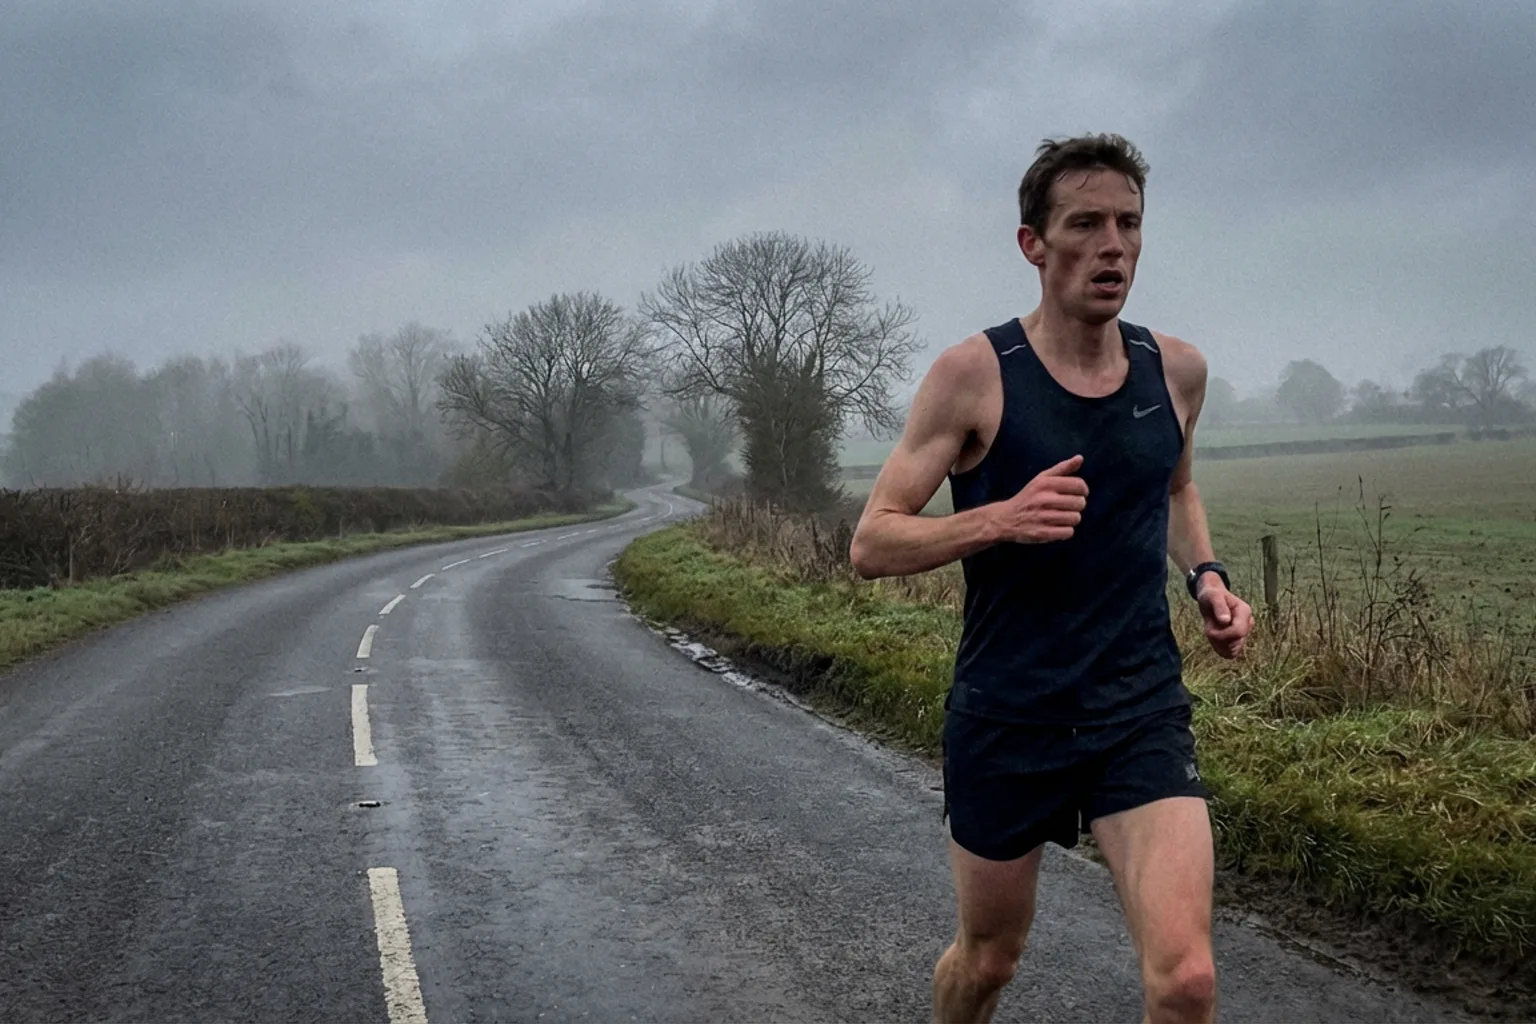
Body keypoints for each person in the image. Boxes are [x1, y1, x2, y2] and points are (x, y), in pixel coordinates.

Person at [848, 133, 1254, 1024]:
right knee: (991, 958)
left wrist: (1208, 579)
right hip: (1008, 712)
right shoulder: (974, 376)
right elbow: (872, 543)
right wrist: (998, 518)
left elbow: (1175, 485)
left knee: (1186, 981)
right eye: (1086, 224)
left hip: (1138, 705)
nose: (1114, 246)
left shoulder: (1175, 372)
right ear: (1034, 244)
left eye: (1129, 224)